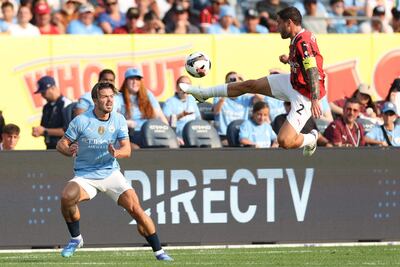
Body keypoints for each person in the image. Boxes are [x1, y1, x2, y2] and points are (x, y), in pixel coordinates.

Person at [180, 6, 323, 156]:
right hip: (293, 82)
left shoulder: (303, 41)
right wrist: (290, 60)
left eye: (279, 23)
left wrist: (314, 98)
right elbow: (306, 62)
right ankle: (204, 93)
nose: (276, 27)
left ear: (289, 23)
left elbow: (313, 71)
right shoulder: (297, 38)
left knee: (285, 141)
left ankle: (311, 138)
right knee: (250, 84)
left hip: (305, 95)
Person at [56, 82, 172, 261]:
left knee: (137, 210)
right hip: (86, 175)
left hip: (111, 173)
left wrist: (117, 152)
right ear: (95, 100)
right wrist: (68, 150)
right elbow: (61, 144)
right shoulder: (81, 121)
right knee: (66, 197)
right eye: (104, 96)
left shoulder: (118, 119)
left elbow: (127, 149)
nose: (109, 100)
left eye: (112, 96)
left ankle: (160, 252)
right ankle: (76, 239)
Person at [119, 68, 168, 148]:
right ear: (126, 81)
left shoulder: (148, 94)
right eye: (131, 79)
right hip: (132, 133)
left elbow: (160, 116)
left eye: (137, 79)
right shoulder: (119, 96)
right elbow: (113, 119)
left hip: (151, 131)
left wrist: (169, 131)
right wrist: (127, 122)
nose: (135, 82)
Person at [32, 75, 72, 149]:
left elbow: (69, 131)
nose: (42, 96)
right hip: (50, 147)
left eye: (44, 92)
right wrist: (39, 131)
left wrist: (45, 131)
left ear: (53, 88)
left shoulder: (66, 104)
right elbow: (44, 128)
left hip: (65, 149)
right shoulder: (46, 107)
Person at [162, 75, 201, 144]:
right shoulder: (169, 102)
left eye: (188, 84)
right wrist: (179, 116)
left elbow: (198, 119)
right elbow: (164, 122)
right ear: (177, 87)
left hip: (194, 136)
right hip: (179, 139)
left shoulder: (192, 100)